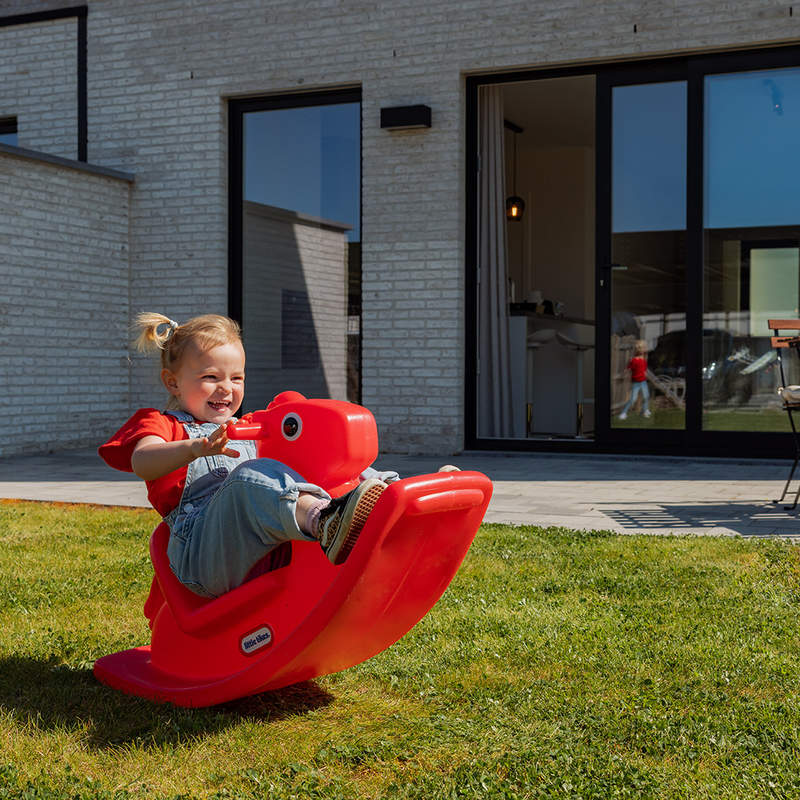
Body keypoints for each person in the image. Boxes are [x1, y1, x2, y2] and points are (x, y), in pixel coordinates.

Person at [99, 312, 442, 599]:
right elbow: (142, 461)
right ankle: (327, 521)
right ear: (172, 382)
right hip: (204, 555)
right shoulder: (160, 423)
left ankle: (398, 504)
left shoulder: (248, 425)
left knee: (313, 459)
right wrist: (193, 449)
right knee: (249, 480)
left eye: (237, 378)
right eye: (210, 377)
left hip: (262, 547)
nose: (226, 389)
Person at [618, 339, 651, 420]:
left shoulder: (643, 360)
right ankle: (623, 413)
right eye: (642, 348)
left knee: (646, 396)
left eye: (644, 348)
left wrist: (645, 374)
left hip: (643, 381)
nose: (643, 350)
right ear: (638, 350)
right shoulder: (634, 360)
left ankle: (645, 410)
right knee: (633, 399)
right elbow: (629, 368)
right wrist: (624, 373)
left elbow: (644, 370)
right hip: (636, 382)